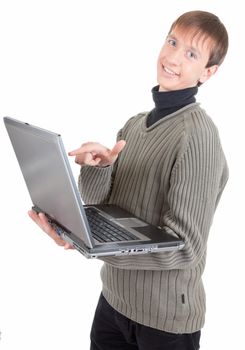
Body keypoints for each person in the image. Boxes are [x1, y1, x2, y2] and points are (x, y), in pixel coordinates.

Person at [29, 10, 229, 350]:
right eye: (173, 41)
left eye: (191, 54)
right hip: (114, 302)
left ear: (208, 73)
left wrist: (92, 247)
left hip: (164, 323)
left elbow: (185, 248)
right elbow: (103, 208)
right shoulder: (134, 126)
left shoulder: (197, 135)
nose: (173, 56)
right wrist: (99, 168)